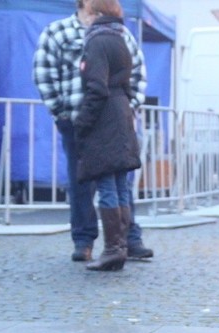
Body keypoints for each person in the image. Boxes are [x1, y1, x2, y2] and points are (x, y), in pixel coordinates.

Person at [33, 0, 153, 262]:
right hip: (80, 120)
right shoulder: (58, 32)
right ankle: (87, 240)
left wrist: (127, 107)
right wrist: (62, 114)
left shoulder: (115, 34)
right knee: (84, 183)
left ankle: (124, 241)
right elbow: (44, 74)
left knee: (117, 183)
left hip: (103, 119)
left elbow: (137, 74)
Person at [71, 0, 142, 271]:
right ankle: (119, 247)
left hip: (104, 119)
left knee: (107, 186)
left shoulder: (97, 41)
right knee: (120, 184)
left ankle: (113, 250)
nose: (84, 18)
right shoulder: (119, 38)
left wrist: (82, 122)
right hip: (121, 114)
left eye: (87, 13)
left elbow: (97, 88)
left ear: (95, 13)